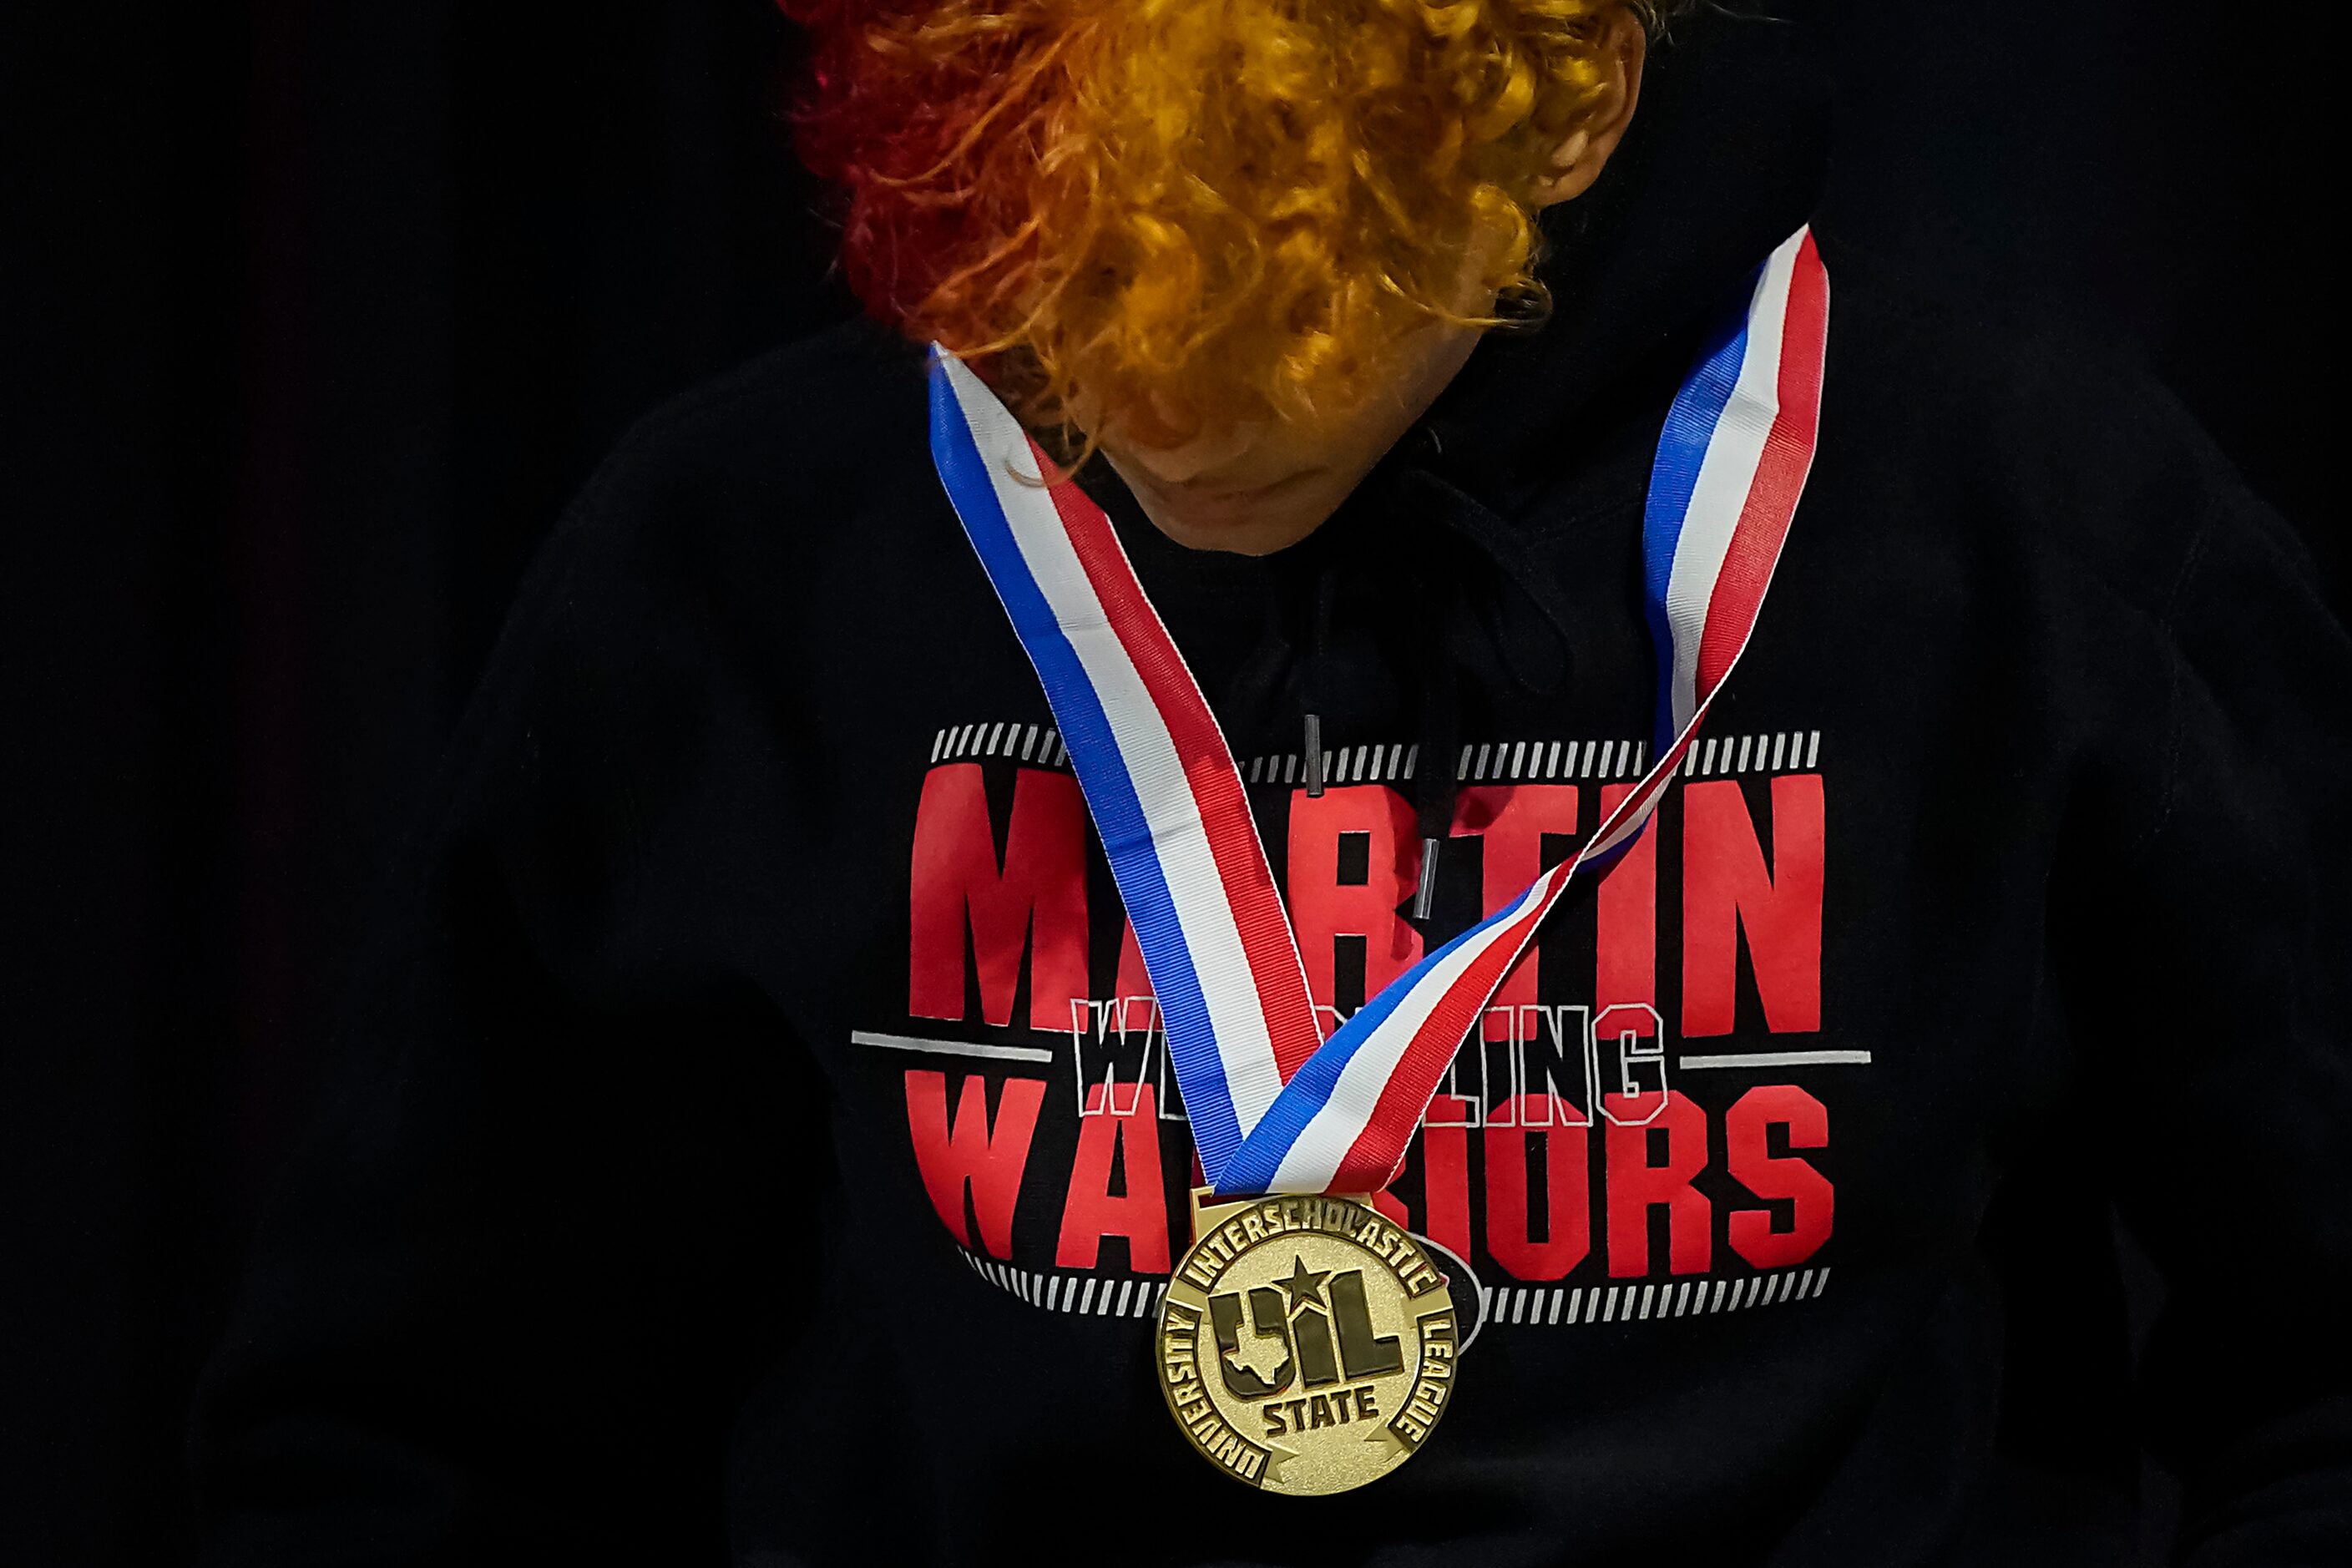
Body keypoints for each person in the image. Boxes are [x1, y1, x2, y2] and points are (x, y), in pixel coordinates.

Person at [192, 2, 2352, 1563]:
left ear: (1564, 102)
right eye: (1057, 315)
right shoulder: (747, 553)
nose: (1156, 418)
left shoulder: (2022, 527)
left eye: (1268, 321)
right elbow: (425, 1426)